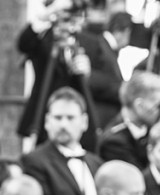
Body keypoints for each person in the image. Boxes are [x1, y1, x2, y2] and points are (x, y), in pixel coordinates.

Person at [16, 0, 104, 149]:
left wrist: (89, 74)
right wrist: (50, 11)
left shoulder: (92, 43)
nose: (67, 22)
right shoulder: (43, 38)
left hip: (79, 114)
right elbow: (22, 44)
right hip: (43, 114)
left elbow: (111, 81)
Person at [22, 87, 104, 195]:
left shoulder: (97, 163)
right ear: (47, 121)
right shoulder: (34, 161)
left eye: (70, 118)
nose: (63, 124)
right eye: (58, 118)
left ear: (84, 122)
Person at [97, 71, 160, 169]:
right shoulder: (114, 142)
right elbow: (140, 179)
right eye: (158, 106)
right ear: (139, 106)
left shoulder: (148, 127)